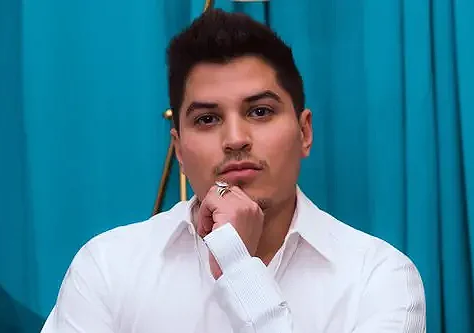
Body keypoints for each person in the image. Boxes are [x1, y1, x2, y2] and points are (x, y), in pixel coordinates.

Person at [41, 8, 426, 333]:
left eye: (260, 112)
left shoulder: (377, 277)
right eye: (207, 119)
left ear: (305, 132)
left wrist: (238, 269)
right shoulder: (108, 268)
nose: (236, 138)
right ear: (177, 148)